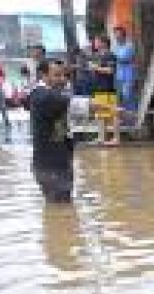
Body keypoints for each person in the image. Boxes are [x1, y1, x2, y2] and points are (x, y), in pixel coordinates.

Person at [28, 60, 121, 202]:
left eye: (64, 75)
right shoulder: (44, 96)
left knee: (60, 209)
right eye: (57, 75)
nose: (62, 79)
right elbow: (77, 104)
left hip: (55, 161)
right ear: (43, 75)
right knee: (61, 205)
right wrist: (111, 109)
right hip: (51, 164)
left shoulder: (44, 94)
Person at [89, 36, 119, 144]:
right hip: (98, 87)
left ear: (104, 43)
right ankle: (102, 137)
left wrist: (96, 68)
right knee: (101, 114)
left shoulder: (110, 55)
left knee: (112, 113)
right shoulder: (98, 56)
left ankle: (116, 138)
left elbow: (110, 70)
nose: (95, 43)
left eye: (97, 41)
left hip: (107, 87)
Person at [112, 27, 136, 114]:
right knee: (119, 98)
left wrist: (113, 58)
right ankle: (125, 116)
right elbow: (113, 59)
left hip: (128, 76)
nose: (117, 36)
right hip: (118, 76)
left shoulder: (129, 45)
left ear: (123, 35)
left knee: (128, 96)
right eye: (115, 34)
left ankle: (133, 115)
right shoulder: (115, 47)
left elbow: (124, 58)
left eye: (118, 34)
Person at [0, 59, 12, 138]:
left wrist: (1, 81)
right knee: (2, 105)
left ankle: (6, 120)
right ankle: (6, 120)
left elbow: (3, 75)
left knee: (3, 105)